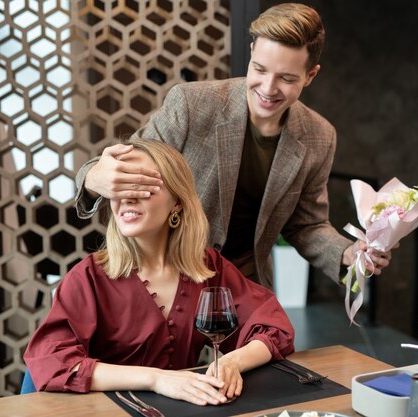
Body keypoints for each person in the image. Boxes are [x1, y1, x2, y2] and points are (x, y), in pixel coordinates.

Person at [74, 3, 393, 288]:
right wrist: (92, 181)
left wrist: (348, 253)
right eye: (260, 69)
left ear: (310, 75)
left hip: (246, 290)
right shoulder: (192, 105)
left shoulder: (319, 136)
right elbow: (123, 169)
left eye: (287, 78)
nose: (268, 89)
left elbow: (307, 225)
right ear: (252, 50)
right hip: (169, 283)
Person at [24, 140, 295, 405]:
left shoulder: (208, 267)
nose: (127, 198)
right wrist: (157, 379)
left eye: (142, 187)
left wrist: (231, 362)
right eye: (120, 188)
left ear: (177, 202)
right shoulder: (88, 278)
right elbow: (52, 362)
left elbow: (274, 328)